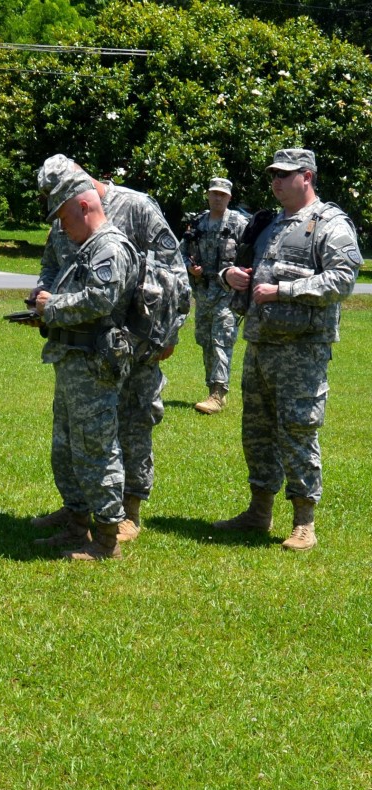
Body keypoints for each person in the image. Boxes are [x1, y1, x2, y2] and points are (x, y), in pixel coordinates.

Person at [28, 155, 189, 545]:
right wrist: (40, 296)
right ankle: (78, 510)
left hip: (135, 340)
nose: (56, 213)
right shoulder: (67, 217)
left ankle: (125, 512)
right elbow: (52, 265)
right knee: (80, 434)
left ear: (80, 184)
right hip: (84, 342)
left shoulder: (135, 208)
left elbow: (174, 276)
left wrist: (167, 334)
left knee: (132, 424)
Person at [214, 148, 361, 552]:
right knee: (257, 433)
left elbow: (342, 281)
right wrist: (232, 276)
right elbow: (247, 271)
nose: (277, 181)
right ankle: (259, 511)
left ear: (307, 176)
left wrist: (285, 291)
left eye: (286, 174)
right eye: (274, 175)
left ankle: (304, 522)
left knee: (298, 432)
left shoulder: (329, 224)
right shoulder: (267, 224)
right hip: (260, 346)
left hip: (302, 352)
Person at [27, 163, 139, 560]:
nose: (61, 225)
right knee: (68, 447)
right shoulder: (86, 247)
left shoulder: (109, 247)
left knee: (96, 448)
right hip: (72, 359)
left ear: (84, 206)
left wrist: (51, 307)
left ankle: (106, 541)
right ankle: (76, 527)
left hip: (93, 363)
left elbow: (100, 300)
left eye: (63, 215)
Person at [181, 178, 249, 414]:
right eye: (214, 194)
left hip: (227, 292)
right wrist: (190, 268)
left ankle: (218, 394)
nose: (218, 198)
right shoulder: (197, 223)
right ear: (208, 195)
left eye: (223, 194)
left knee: (221, 337)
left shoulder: (239, 223)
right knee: (206, 340)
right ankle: (212, 388)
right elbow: (181, 254)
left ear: (229, 197)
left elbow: (250, 256)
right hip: (203, 291)